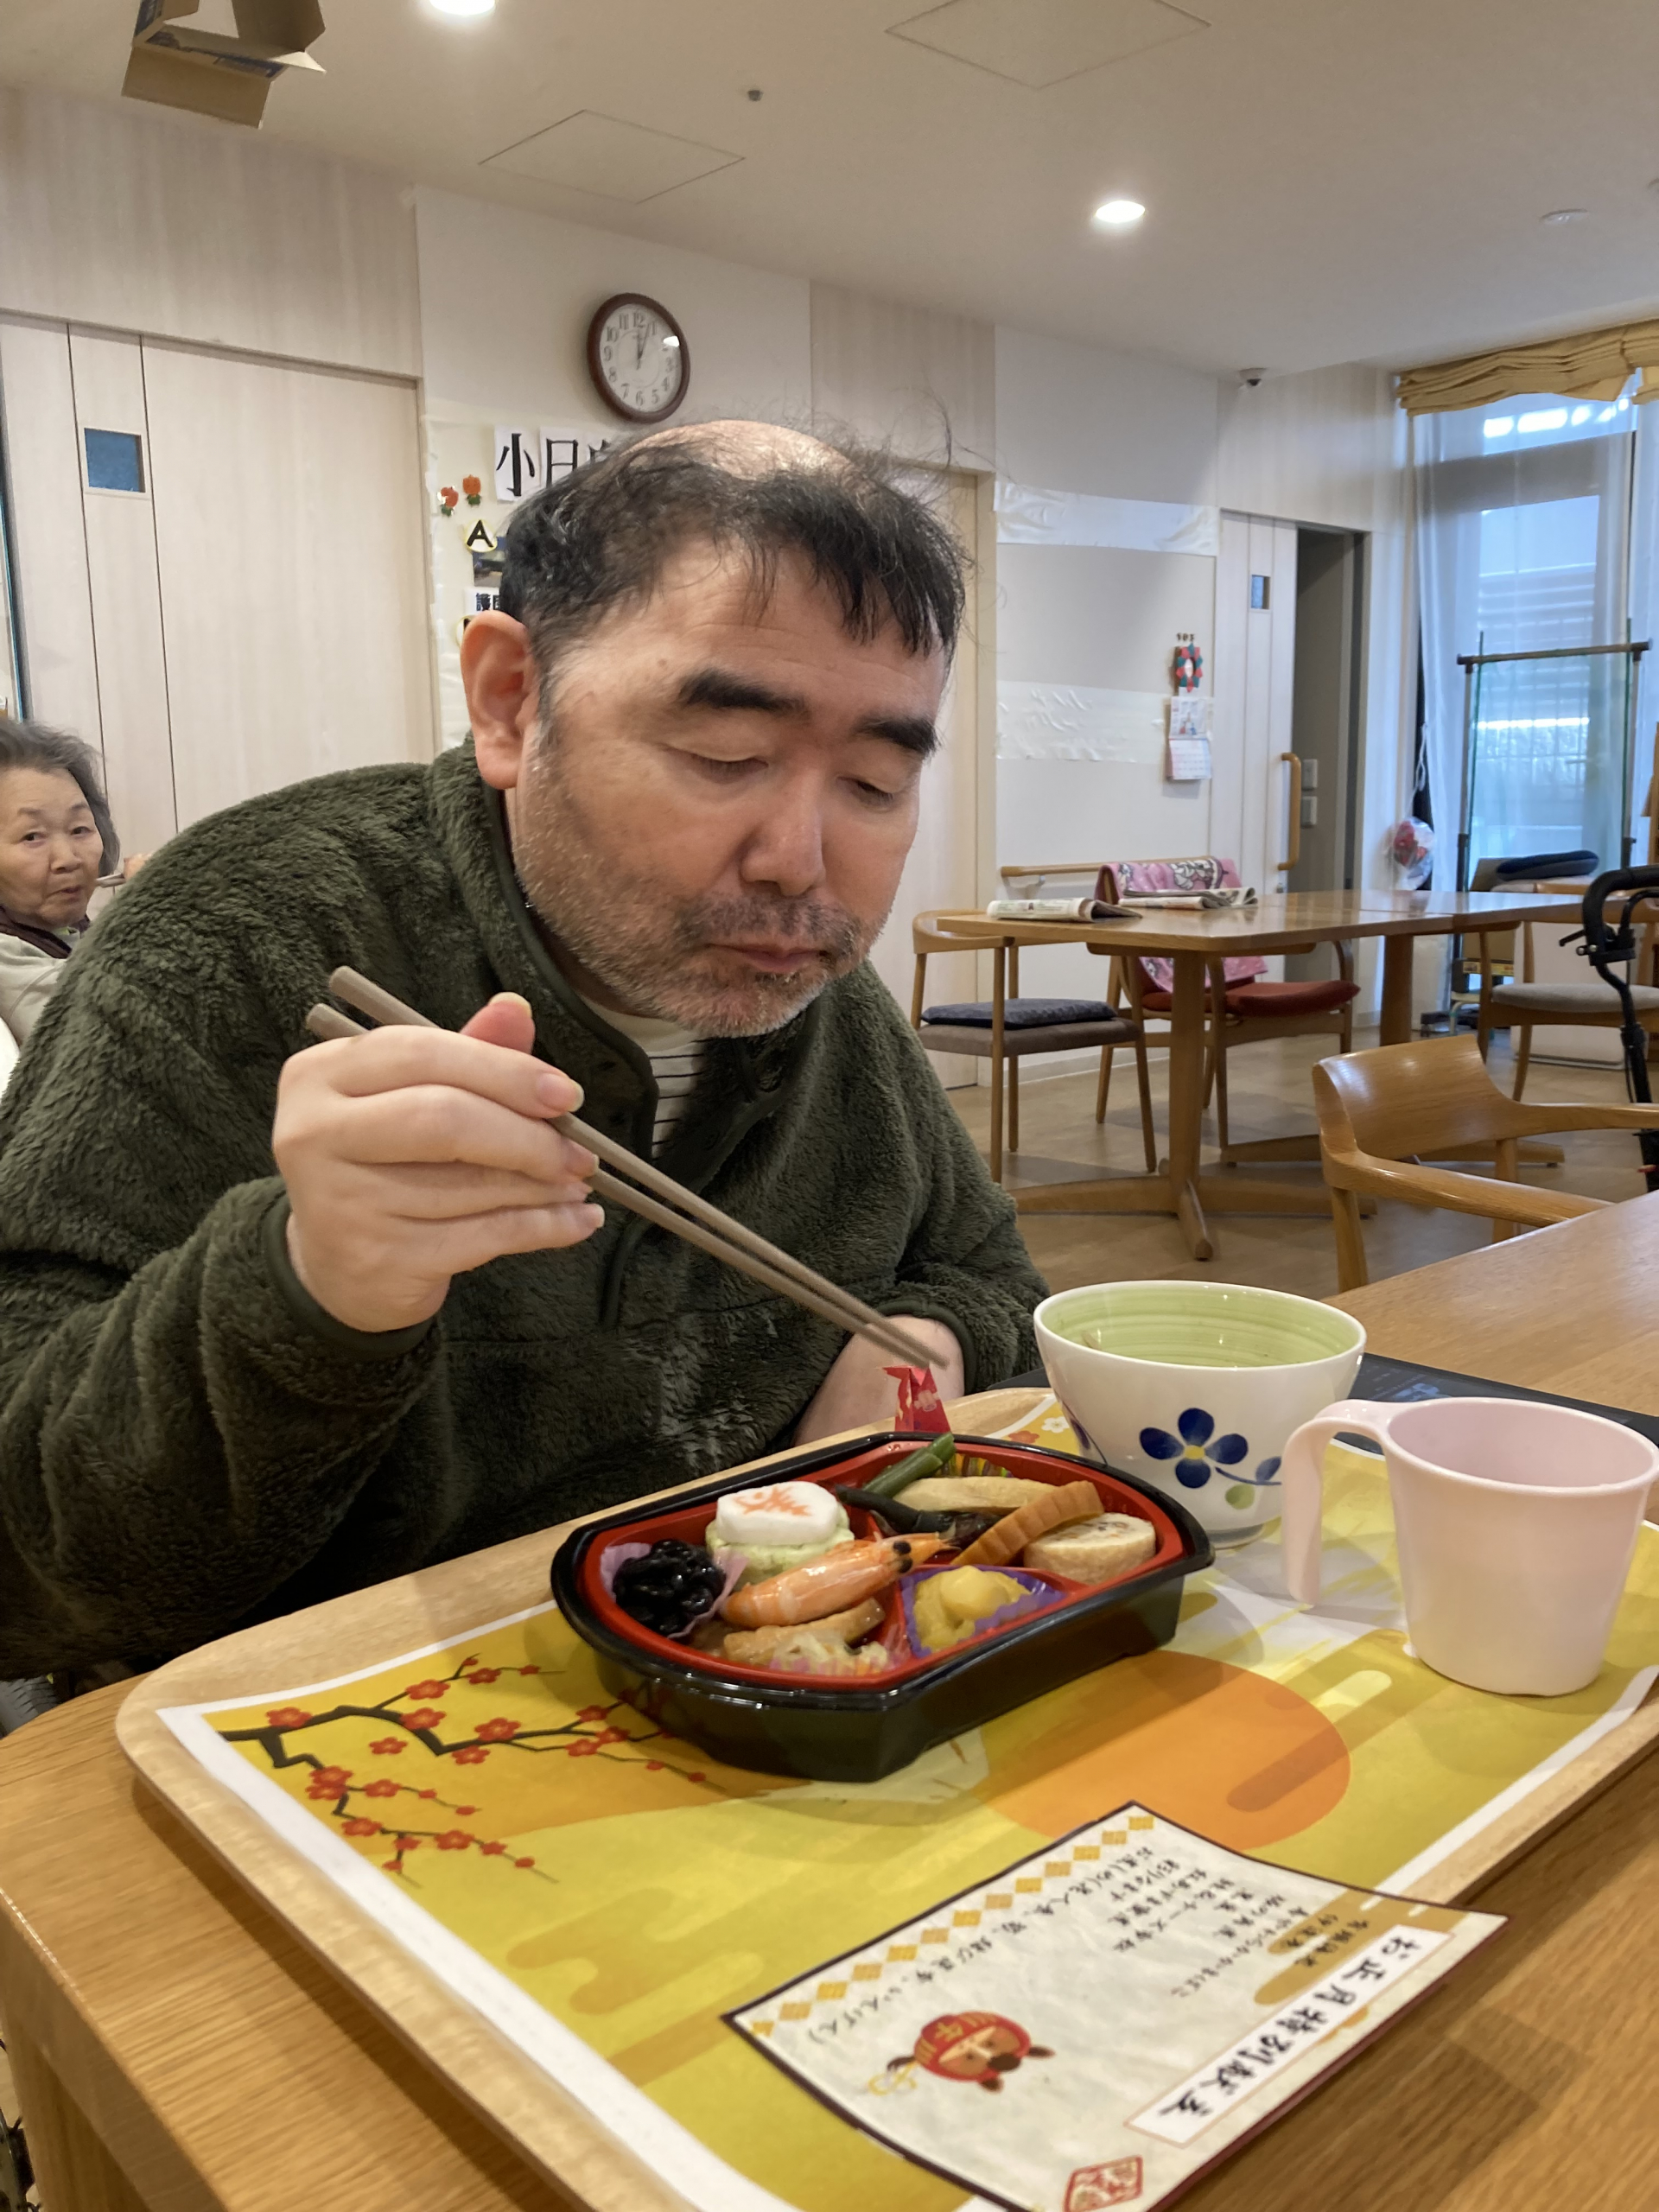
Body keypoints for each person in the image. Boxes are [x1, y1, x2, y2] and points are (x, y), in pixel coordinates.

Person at [0, 423, 1046, 1676]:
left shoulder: (812, 993)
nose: (799, 861)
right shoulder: (240, 935)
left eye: (875, 782)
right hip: (330, 1732)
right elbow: (24, 1572)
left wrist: (921, 1341)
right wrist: (305, 1286)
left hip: (764, 1713)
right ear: (510, 700)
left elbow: (996, 1281)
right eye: (726, 756)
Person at [0, 717, 123, 1049]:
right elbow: (112, 1034)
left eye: (80, 829)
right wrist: (156, 908)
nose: (68, 859)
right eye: (32, 837)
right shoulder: (7, 956)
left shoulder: (63, 928)